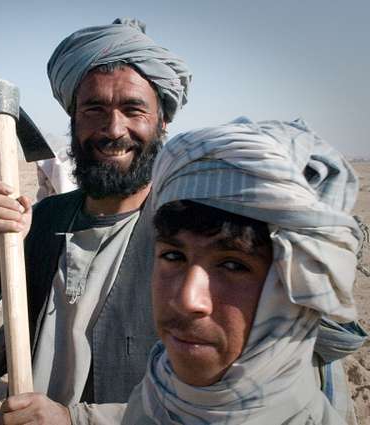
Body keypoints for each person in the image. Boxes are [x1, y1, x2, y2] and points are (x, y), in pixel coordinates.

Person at [0, 18, 192, 424]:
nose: (113, 129)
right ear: (73, 119)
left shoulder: (189, 238)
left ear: (162, 121)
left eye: (133, 109)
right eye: (94, 109)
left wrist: (74, 420)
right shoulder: (40, 224)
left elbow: (217, 401)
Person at [122, 118, 366, 424]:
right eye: (173, 256)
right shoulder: (152, 397)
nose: (187, 300)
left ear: (294, 287)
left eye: (233, 265)